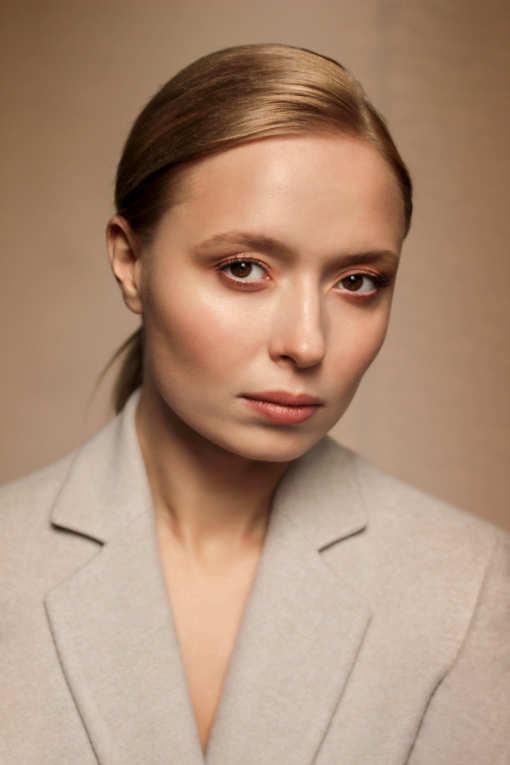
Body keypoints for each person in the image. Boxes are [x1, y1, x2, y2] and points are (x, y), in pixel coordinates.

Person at [1, 43, 509, 765]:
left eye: (358, 281)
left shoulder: (471, 587)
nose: (306, 342)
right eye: (244, 268)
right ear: (130, 261)